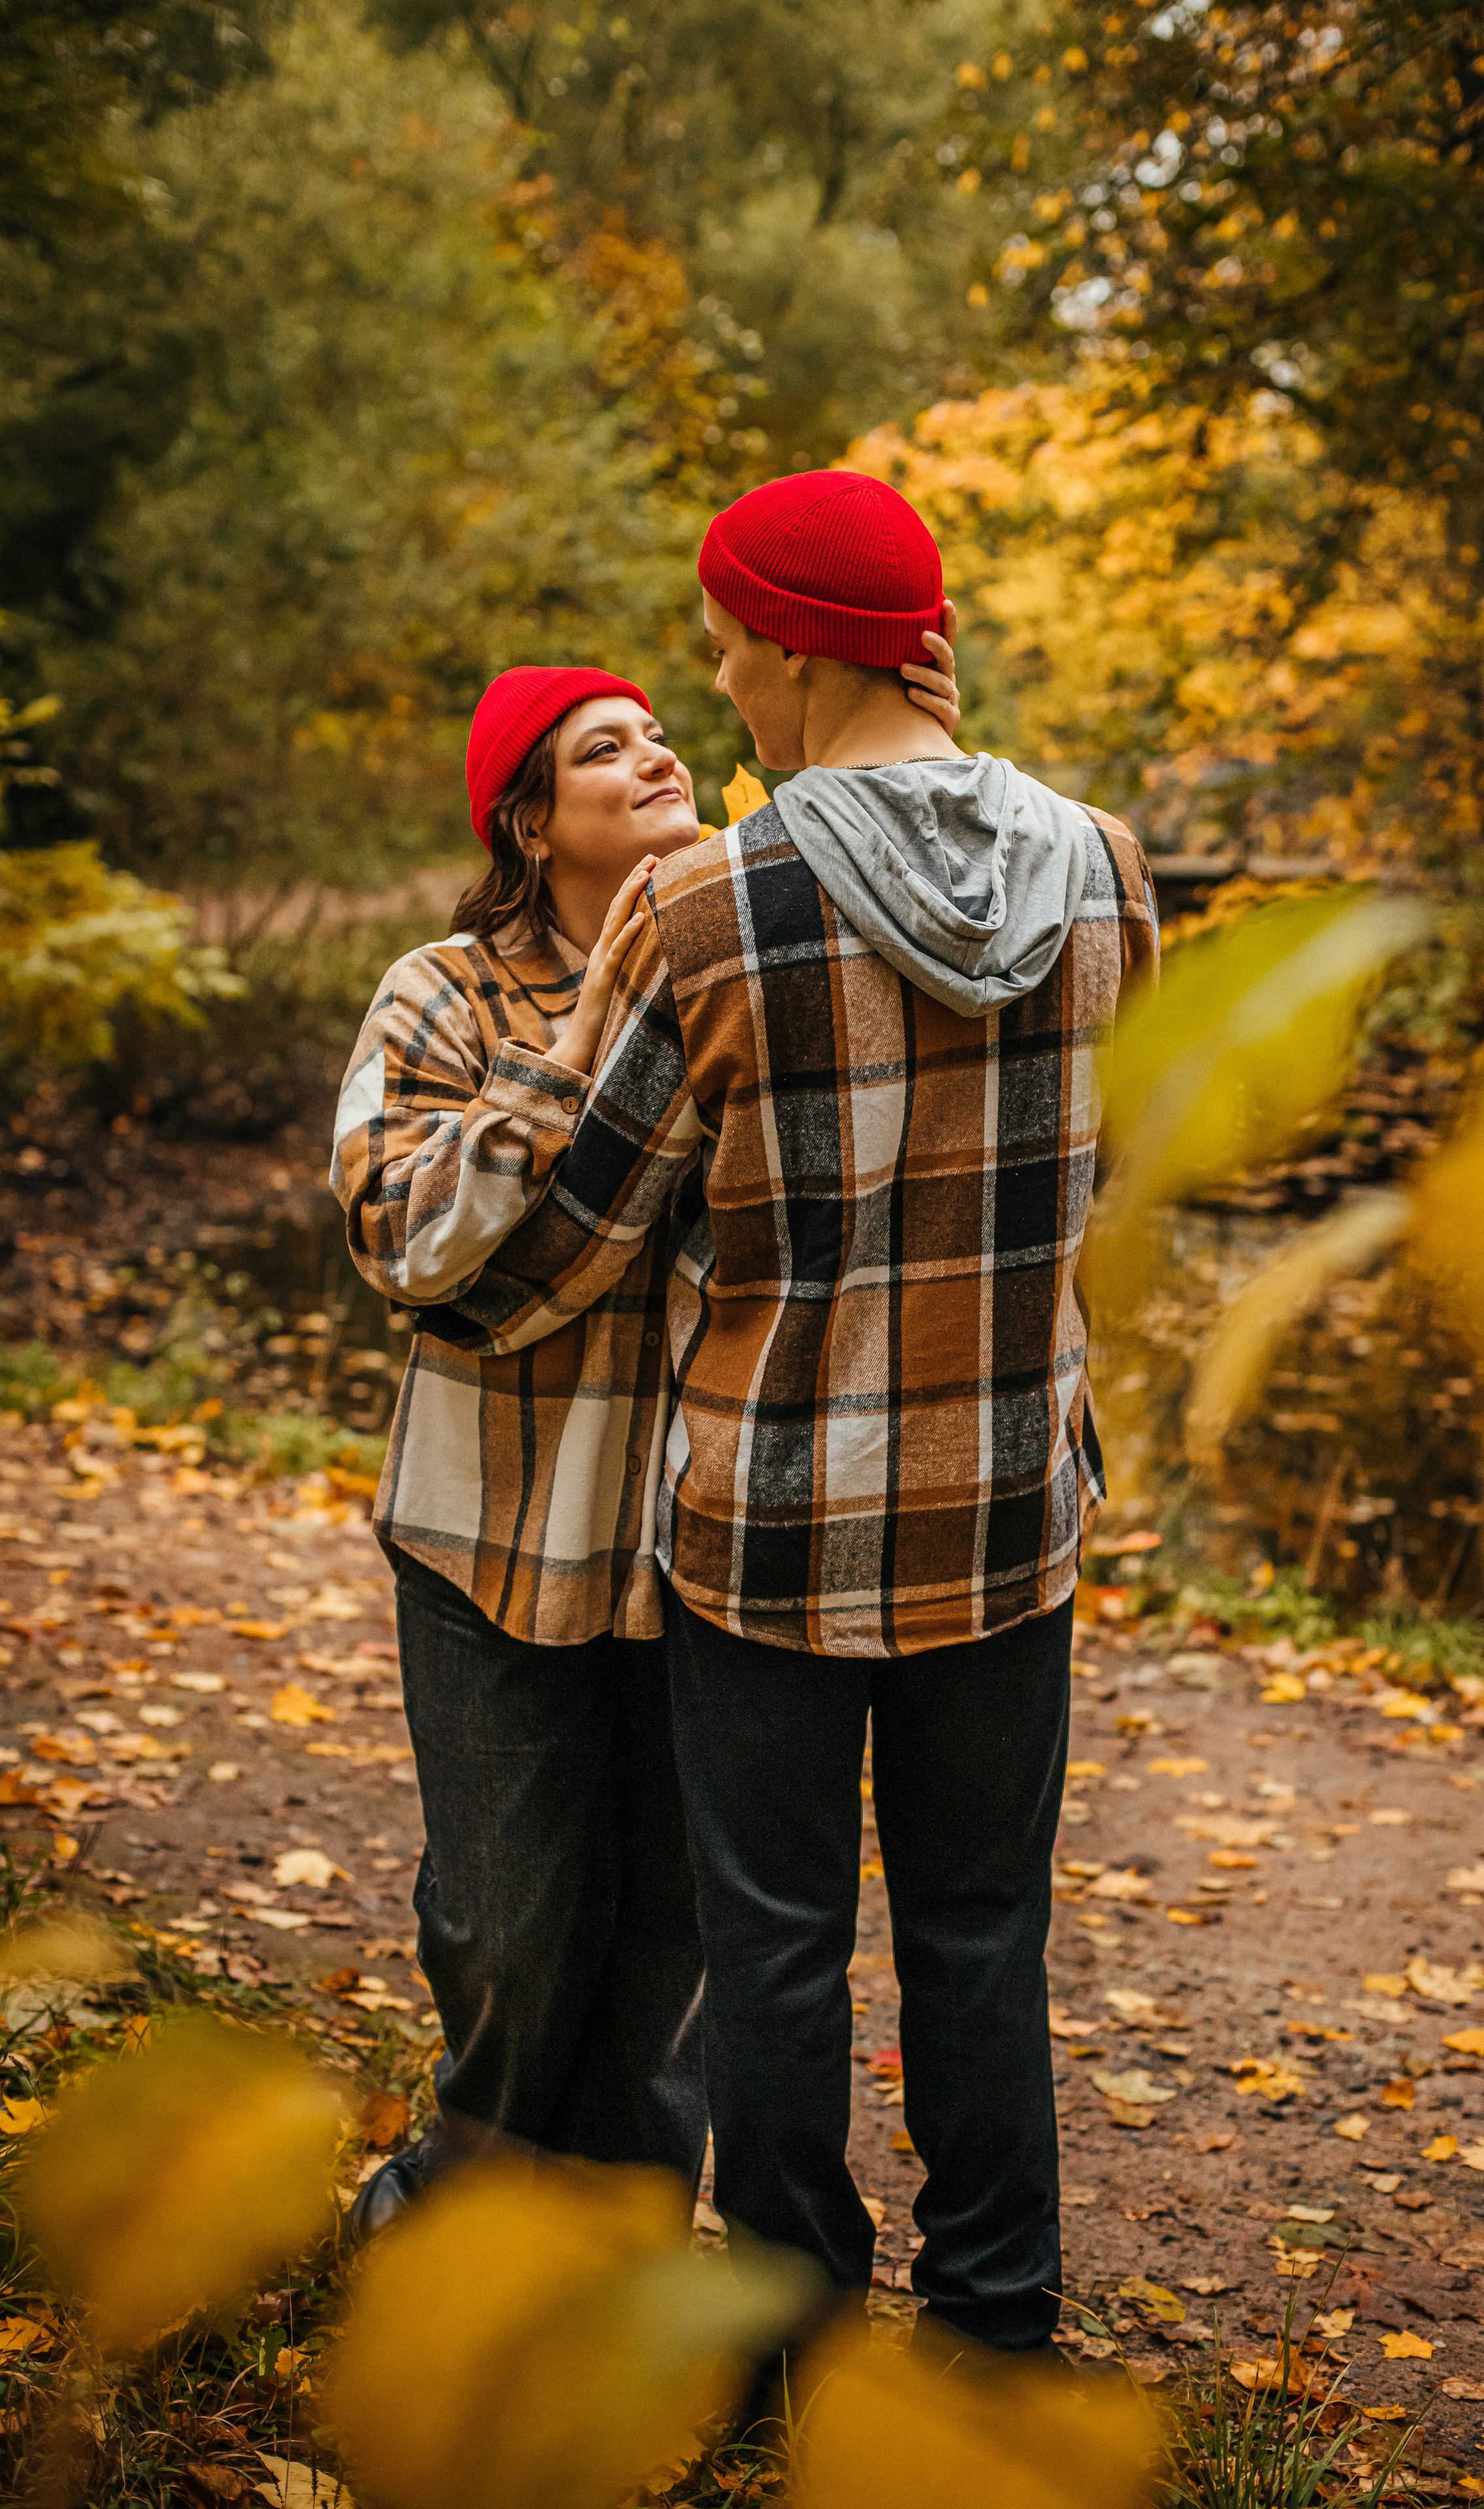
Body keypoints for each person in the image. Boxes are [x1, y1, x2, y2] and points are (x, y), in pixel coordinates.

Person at [462, 472, 1159, 2359]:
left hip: (768, 1525)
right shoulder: (1102, 863)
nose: (721, 690)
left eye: (722, 653)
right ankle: (997, 2331)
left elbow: (571, 1238)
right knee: (980, 1931)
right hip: (1011, 1509)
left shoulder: (707, 909)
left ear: (786, 645)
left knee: (772, 1949)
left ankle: (788, 2347)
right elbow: (1102, 1169)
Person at [331, 639, 961, 2235]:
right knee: (508, 1925)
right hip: (492, 1544)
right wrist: (586, 1028)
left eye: (661, 734)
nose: (658, 758)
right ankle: (450, 2207)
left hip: (696, 1549)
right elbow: (402, 1236)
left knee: (670, 1934)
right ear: (528, 824)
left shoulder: (738, 958)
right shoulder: (442, 992)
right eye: (605, 751)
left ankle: (610, 2247)